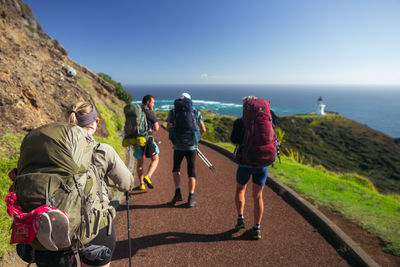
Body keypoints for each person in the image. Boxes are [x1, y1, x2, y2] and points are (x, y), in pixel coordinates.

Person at [67, 101, 134, 267]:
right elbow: (127, 183)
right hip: (95, 228)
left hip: (58, 228)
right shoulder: (102, 150)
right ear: (93, 123)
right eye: (97, 121)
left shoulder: (56, 152)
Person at [230, 96, 275, 240]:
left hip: (246, 161)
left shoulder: (240, 122)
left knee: (240, 189)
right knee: (258, 195)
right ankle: (257, 228)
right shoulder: (269, 118)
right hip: (263, 162)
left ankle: (240, 218)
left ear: (246, 107)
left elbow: (234, 140)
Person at [166, 93, 206, 207]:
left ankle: (178, 192)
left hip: (178, 145)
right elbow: (203, 129)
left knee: (176, 169)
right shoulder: (195, 111)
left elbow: (168, 127)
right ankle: (191, 197)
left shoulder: (173, 112)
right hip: (191, 146)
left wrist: (174, 136)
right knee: (191, 172)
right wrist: (197, 139)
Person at [134, 94, 160, 190]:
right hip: (148, 140)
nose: (153, 104)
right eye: (152, 102)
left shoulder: (137, 111)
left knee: (140, 163)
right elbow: (156, 128)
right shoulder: (150, 113)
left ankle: (141, 184)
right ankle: (148, 176)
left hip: (137, 140)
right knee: (155, 159)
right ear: (148, 102)